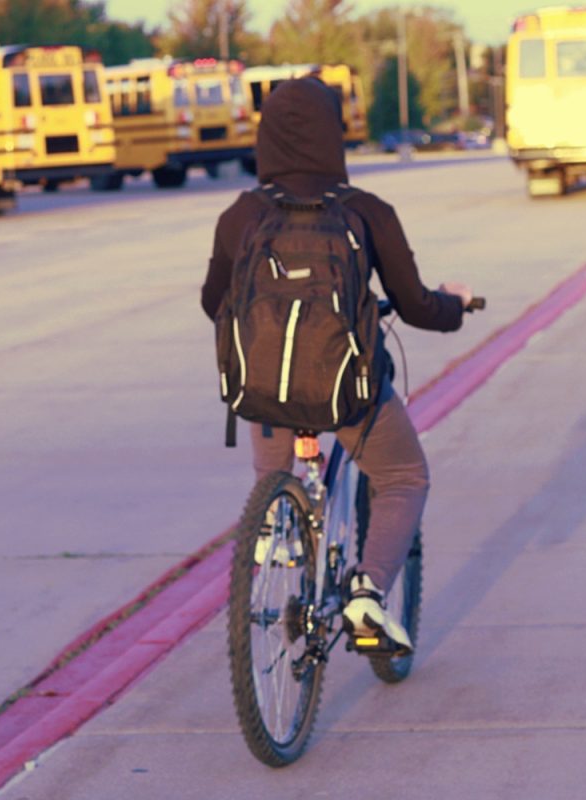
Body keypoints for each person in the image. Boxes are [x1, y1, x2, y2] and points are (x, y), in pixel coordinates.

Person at [201, 77, 473, 652]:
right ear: (333, 132)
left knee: (273, 465)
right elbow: (418, 306)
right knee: (403, 477)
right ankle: (367, 597)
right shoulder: (366, 212)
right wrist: (456, 306)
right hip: (347, 390)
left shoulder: (242, 214)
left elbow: (213, 303)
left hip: (265, 389)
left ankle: (276, 527)